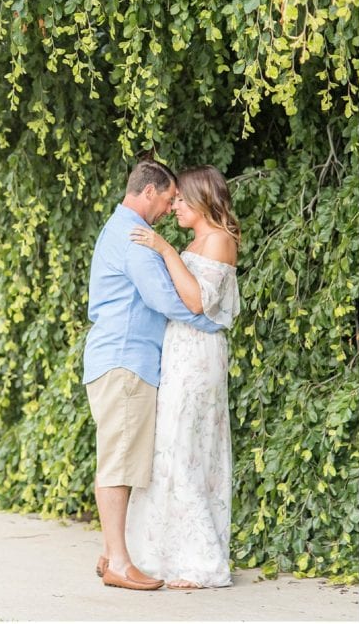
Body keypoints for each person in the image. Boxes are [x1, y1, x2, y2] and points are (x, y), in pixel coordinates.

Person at [83, 158, 225, 591]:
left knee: (121, 457)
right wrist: (211, 323)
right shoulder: (133, 238)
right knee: (119, 463)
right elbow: (164, 298)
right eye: (167, 199)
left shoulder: (121, 228)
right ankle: (120, 565)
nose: (168, 209)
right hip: (126, 361)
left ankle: (114, 554)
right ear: (149, 193)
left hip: (124, 359)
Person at [125, 165, 241, 589]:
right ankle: (161, 554)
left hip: (198, 356)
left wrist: (165, 250)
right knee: (173, 447)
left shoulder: (219, 240)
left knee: (188, 447)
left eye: (178, 200)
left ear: (199, 199)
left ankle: (199, 561)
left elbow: (195, 303)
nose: (172, 206)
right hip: (181, 353)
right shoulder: (199, 240)